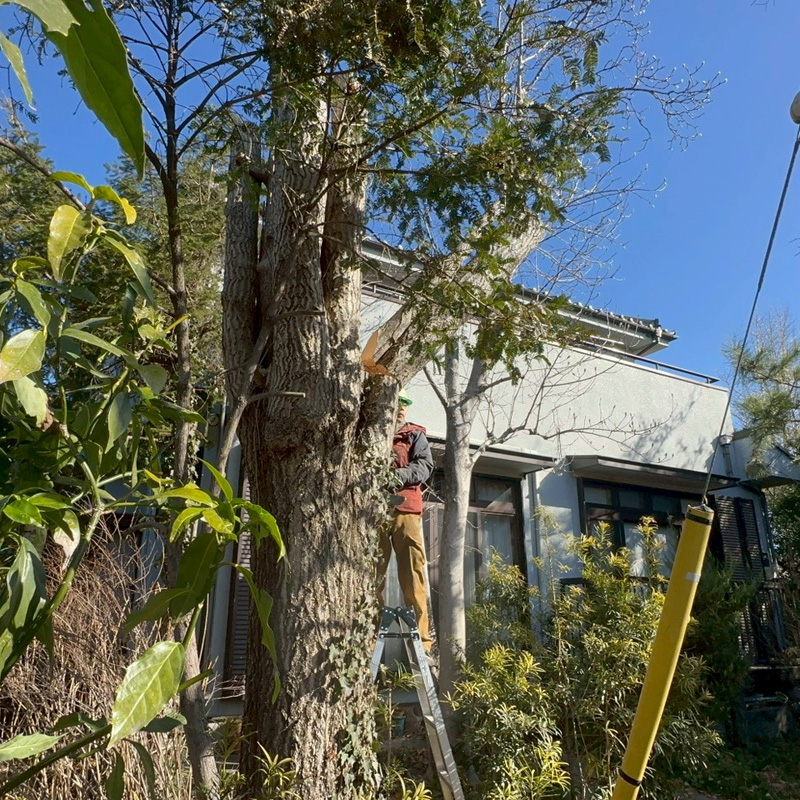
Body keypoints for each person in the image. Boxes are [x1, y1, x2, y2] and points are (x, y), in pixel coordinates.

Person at [377, 389, 435, 651]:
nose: (402, 408)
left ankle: (422, 640)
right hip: (375, 510)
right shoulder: (373, 432)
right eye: (398, 402)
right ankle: (369, 634)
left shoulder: (414, 434)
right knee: (371, 573)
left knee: (413, 572)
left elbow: (425, 466)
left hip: (407, 510)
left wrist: (397, 476)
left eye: (406, 404)